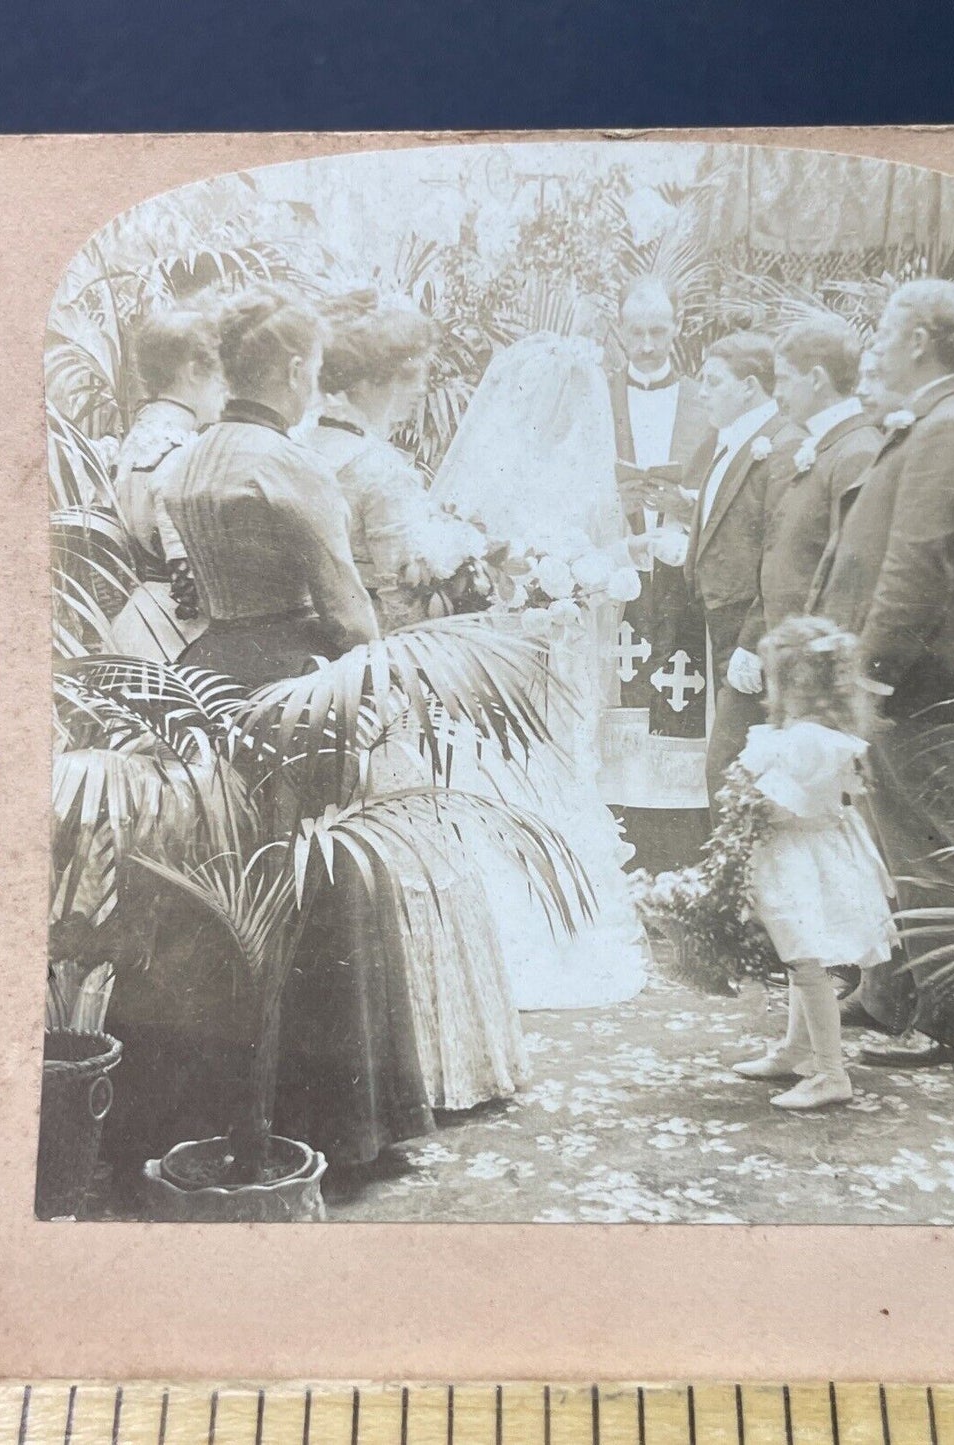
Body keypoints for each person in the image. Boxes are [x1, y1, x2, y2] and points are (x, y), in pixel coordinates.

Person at [161, 286, 434, 1165]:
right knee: (329, 874)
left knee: (234, 881)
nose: (317, 379)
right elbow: (350, 612)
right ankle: (345, 1125)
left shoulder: (193, 456)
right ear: (291, 368)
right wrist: (386, 678)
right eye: (313, 364)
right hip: (295, 682)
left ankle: (223, 1107)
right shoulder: (288, 462)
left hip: (210, 677)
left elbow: (196, 589)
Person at [305, 291, 530, 1110]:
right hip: (384, 680)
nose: (411, 397)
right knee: (409, 849)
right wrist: (475, 562)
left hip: (305, 681)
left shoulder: (298, 447)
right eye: (411, 381)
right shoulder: (377, 468)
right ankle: (432, 1067)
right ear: (387, 380)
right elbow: (412, 585)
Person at [810, 279, 954, 1067]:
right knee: (891, 836)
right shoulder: (943, 418)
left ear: (920, 342)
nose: (879, 342)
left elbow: (917, 569)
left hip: (923, 681)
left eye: (888, 329)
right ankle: (893, 994)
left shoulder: (949, 425)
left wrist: (871, 670)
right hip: (924, 676)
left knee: (932, 845)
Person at [429, 331, 650, 1010]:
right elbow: (462, 561)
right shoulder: (486, 477)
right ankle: (499, 928)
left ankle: (560, 925)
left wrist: (591, 579)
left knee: (551, 770)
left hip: (558, 650)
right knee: (500, 769)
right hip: (500, 648)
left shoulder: (580, 475)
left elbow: (603, 554)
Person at [730, 617, 897, 1110]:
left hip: (803, 857)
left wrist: (745, 799)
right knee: (798, 958)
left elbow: (786, 804)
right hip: (803, 851)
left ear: (794, 682)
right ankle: (797, 1049)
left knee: (806, 960)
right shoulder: (810, 733)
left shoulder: (811, 741)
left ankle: (830, 1072)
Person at [600, 277, 714, 871]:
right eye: (636, 332)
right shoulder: (598, 397)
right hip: (617, 582)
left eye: (658, 331)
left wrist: (686, 507)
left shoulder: (704, 400)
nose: (646, 344)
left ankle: (679, 853)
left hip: (682, 584)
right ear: (620, 331)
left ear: (677, 328)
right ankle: (624, 847)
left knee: (679, 700)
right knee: (621, 701)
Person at [682, 332, 804, 801]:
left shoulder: (781, 444)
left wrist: (753, 641)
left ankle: (739, 875)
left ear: (750, 385)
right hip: (722, 626)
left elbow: (784, 553)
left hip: (754, 633)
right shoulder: (733, 441)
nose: (703, 391)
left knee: (731, 771)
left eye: (714, 381)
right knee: (735, 772)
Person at [107, 306, 226, 661]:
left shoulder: (141, 437)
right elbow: (189, 579)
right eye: (221, 377)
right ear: (193, 372)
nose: (225, 390)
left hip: (138, 617)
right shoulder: (181, 452)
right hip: (178, 632)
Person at [757, 316, 883, 631]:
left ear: (816, 378)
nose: (776, 393)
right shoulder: (829, 443)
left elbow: (851, 579)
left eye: (784, 379)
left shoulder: (857, 452)